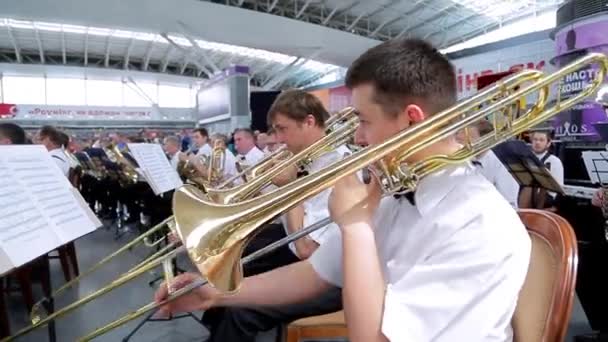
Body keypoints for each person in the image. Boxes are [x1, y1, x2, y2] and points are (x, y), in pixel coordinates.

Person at [155, 38, 531, 342]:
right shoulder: (393, 189)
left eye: (364, 122)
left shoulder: (480, 224)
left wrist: (355, 228)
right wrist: (214, 294)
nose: (358, 138)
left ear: (411, 120)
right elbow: (315, 273)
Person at [199, 89, 348, 342]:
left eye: (282, 129)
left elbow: (306, 250)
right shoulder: (304, 158)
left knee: (241, 309)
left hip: (318, 266)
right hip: (292, 246)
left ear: (309, 122)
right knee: (230, 260)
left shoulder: (338, 167)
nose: (276, 139)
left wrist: (290, 189)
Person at [455, 120, 520, 208]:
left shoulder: (501, 164)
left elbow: (509, 204)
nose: (466, 145)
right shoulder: (462, 161)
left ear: (485, 141)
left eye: (470, 139)